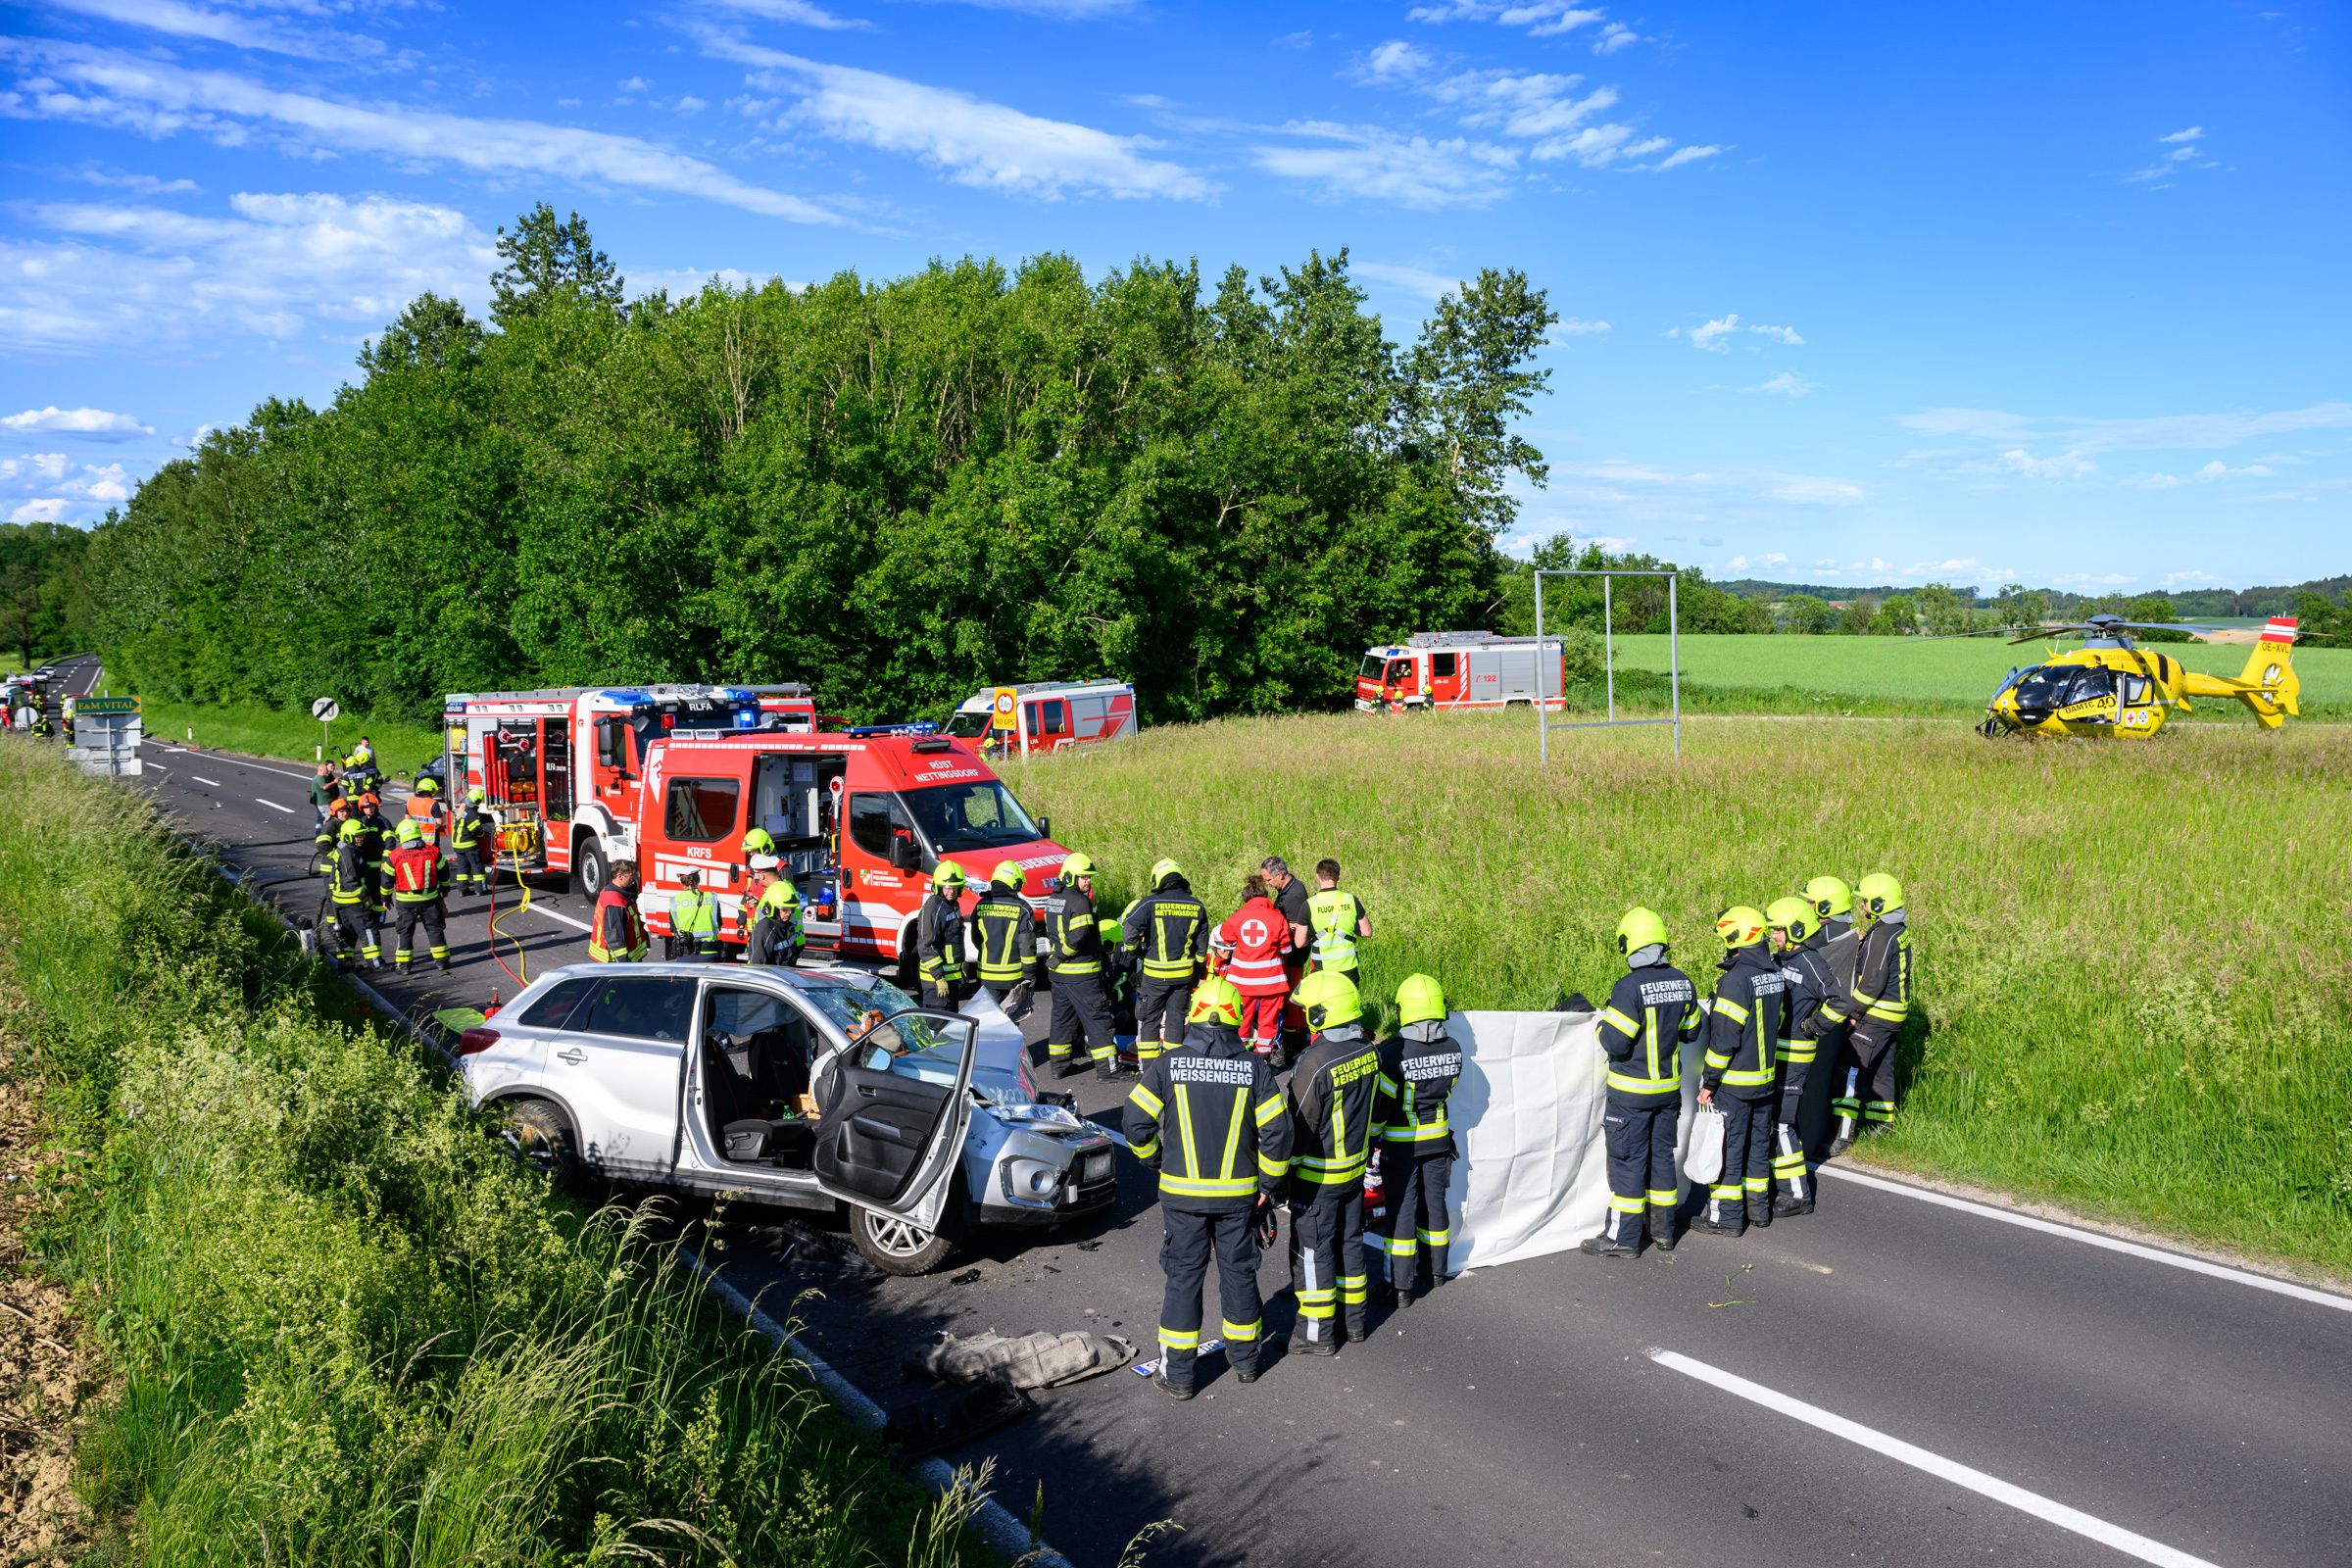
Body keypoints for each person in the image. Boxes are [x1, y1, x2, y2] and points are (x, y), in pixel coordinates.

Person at [1124, 978, 1293, 1400]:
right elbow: (1278, 1133)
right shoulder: (1255, 1068)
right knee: (1239, 1274)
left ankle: (1179, 1376)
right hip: (1239, 1199)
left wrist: (1154, 1159)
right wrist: (1269, 1186)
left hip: (1182, 1198)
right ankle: (1247, 1363)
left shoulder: (1169, 1064)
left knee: (1184, 1278)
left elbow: (1135, 1122)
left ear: (1194, 1014)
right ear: (1237, 1017)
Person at [1583, 907, 1704, 1258]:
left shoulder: (1628, 987)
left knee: (1628, 1163)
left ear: (1629, 944)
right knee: (1661, 1158)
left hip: (1631, 1095)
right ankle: (1663, 1232)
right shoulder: (1683, 982)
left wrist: (1603, 1024)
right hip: (1667, 1093)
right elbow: (1691, 1031)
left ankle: (1622, 1239)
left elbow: (1616, 1042)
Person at [1285, 970, 1382, 1354]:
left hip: (1317, 1178)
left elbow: (1299, 1126)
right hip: (1355, 1172)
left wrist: (1282, 1177)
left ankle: (1315, 1335)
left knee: (1313, 1254)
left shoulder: (1315, 1062)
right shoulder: (1370, 1051)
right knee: (1350, 1244)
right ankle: (1354, 1322)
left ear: (1321, 1014)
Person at [1371, 973, 1463, 1303]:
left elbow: (1381, 1106)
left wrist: (1371, 1141)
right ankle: (1436, 1271)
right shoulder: (1454, 1047)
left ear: (1404, 1009)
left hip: (1402, 1145)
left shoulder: (1393, 1053)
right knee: (1434, 1205)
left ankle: (1399, 1287)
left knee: (1402, 1211)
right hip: (1439, 1142)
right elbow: (1449, 1089)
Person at [1695, 906, 1787, 1238]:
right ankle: (1758, 1210)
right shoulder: (1772, 972)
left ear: (1734, 938)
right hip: (1765, 1081)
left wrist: (1709, 1082)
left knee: (1729, 1150)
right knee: (1758, 1147)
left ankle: (1726, 1218)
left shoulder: (1735, 980)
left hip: (1734, 1084)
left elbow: (1724, 1041)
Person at [1824, 873, 1912, 1154]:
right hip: (1894, 1014)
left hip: (1877, 1014)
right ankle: (1882, 1127)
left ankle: (1842, 1135)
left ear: (1879, 904)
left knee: (1848, 1068)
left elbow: (1872, 981)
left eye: (1865, 901)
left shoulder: (1882, 934)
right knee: (1881, 1069)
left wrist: (1854, 1013)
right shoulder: (1896, 929)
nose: (1862, 906)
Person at [1767, 895, 1839, 1216]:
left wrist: (1812, 1025)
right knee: (1773, 1120)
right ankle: (1778, 1181)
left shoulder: (1811, 962)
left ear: (1796, 930)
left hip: (1796, 1054)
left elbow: (1840, 1002)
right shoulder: (1780, 959)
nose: (1773, 935)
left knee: (1782, 1123)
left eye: (1778, 930)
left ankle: (1797, 1194)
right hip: (1775, 1054)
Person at [1121, 858, 1207, 1069]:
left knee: (1150, 1020)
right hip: (1183, 976)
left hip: (1155, 976)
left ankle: (1150, 1070)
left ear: (1158, 879)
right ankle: (1173, 1068)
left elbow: (1129, 928)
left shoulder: (1150, 903)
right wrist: (1196, 972)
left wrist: (1135, 951)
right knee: (1176, 1020)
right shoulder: (1196, 905)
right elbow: (1202, 948)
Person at [1043, 853, 1117, 1079]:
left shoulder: (1053, 900)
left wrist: (1057, 958)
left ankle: (1059, 1067)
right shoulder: (1080, 902)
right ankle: (1108, 1070)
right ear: (1069, 877)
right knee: (1097, 1019)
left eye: (1089, 877)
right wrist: (1062, 955)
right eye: (1084, 877)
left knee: (1062, 1020)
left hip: (1059, 975)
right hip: (1082, 973)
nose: (1088, 881)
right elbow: (1079, 936)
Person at [1209, 872, 1294, 1060]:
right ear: (1265, 896)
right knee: (1268, 1021)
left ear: (1246, 898)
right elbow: (1286, 949)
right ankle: (1264, 1058)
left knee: (1241, 1018)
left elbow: (1225, 939)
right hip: (1271, 982)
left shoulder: (1237, 917)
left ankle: (1239, 1056)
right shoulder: (1277, 917)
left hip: (1242, 982)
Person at [972, 860, 1038, 1016]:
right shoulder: (1022, 908)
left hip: (986, 977)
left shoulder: (980, 905)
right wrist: (1029, 975)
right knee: (1010, 1022)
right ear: (1013, 883)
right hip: (1012, 978)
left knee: (988, 1020)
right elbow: (1027, 947)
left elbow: (976, 939)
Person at [386, 818, 452, 973]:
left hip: (405, 902)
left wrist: (385, 899)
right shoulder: (433, 851)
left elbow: (387, 880)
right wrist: (445, 888)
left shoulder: (394, 855)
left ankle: (404, 966)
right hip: (429, 899)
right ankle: (442, 962)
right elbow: (444, 872)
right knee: (434, 929)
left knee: (405, 932)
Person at [324, 815, 381, 970]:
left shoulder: (344, 849)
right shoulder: (348, 853)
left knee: (348, 933)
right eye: (357, 836)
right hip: (353, 900)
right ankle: (376, 964)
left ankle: (346, 964)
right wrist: (365, 897)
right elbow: (350, 880)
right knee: (368, 929)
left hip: (340, 900)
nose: (361, 838)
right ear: (348, 836)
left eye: (362, 835)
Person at [1304, 858, 1371, 984]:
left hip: (1322, 967)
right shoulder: (1351, 899)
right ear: (1338, 877)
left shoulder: (1310, 904)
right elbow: (1367, 932)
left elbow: (1299, 942)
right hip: (1348, 967)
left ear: (1318, 877)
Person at [914, 859, 970, 1008]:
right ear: (938, 886)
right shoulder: (933, 907)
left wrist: (959, 972)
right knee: (937, 1020)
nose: (951, 891)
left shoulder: (951, 905)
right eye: (947, 887)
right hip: (936, 981)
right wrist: (939, 977)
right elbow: (926, 945)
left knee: (951, 1020)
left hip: (950, 978)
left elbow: (952, 942)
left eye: (955, 887)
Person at [743, 860, 803, 967]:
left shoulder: (779, 892)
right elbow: (758, 964)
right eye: (785, 910)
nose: (789, 913)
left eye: (791, 910)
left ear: (762, 875)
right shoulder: (785, 887)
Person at [590, 861, 650, 963]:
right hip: (617, 962)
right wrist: (623, 964)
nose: (633, 880)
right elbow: (614, 937)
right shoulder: (614, 903)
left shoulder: (612, 891)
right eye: (631, 876)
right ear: (620, 877)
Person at [450, 787, 495, 898]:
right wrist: (483, 834)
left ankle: (462, 890)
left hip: (457, 844)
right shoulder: (471, 812)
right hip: (468, 844)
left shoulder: (461, 808)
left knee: (463, 867)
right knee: (477, 866)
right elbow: (476, 830)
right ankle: (481, 889)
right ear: (477, 801)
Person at [667, 868, 722, 959]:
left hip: (686, 953)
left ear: (681, 882)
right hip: (709, 952)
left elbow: (673, 929)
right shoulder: (711, 897)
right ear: (698, 880)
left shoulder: (674, 901)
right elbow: (719, 924)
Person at [406, 774, 451, 848]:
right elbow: (439, 822)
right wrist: (442, 815)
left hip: (415, 836)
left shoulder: (410, 801)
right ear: (430, 790)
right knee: (434, 854)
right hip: (429, 839)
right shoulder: (433, 803)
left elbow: (407, 819)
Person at [308, 763, 340, 829]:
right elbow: (324, 787)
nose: (327, 771)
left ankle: (321, 828)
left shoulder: (321, 777)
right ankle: (324, 831)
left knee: (326, 817)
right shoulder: (319, 778)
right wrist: (334, 782)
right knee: (330, 818)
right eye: (326, 770)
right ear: (321, 770)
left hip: (324, 803)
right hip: (323, 804)